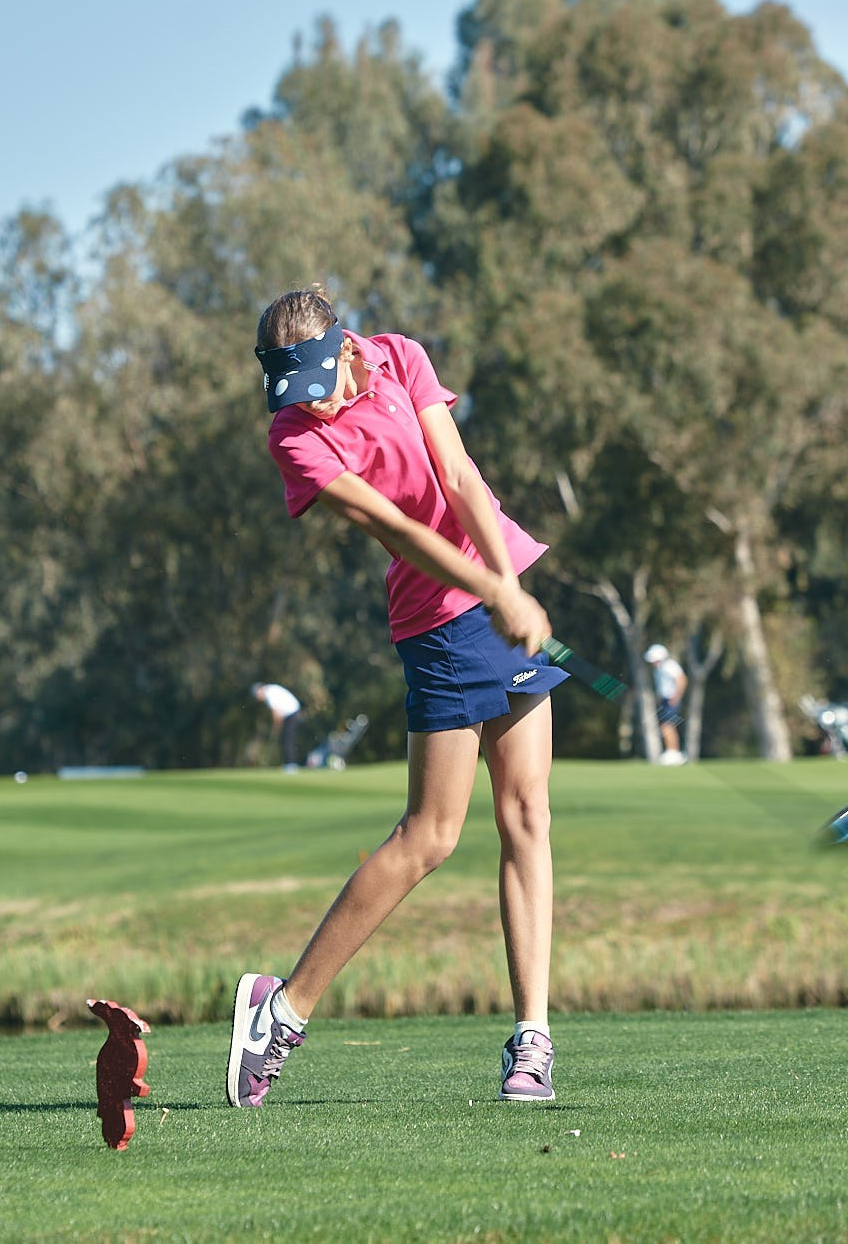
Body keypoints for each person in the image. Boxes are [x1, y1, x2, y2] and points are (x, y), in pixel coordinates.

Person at [227, 288, 569, 1109]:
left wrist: (506, 583)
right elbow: (402, 531)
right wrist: (494, 589)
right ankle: (282, 1011)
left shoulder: (399, 356)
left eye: (322, 386)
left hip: (495, 586)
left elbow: (457, 475)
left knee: (528, 815)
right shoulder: (293, 439)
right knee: (430, 836)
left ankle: (532, 1039)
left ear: (346, 348)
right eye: (296, 396)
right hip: (439, 623)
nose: (314, 407)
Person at [644, 643, 688, 764]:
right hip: (664, 699)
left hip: (671, 699)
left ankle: (673, 753)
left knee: (667, 725)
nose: (652, 662)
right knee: (666, 725)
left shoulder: (670, 666)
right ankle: (672, 751)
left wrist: (677, 696)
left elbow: (682, 679)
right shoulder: (658, 669)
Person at [251, 682, 304, 771]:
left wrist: (277, 728)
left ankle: (290, 765)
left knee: (287, 740)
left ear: (260, 690)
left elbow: (277, 713)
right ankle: (288, 764)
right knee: (286, 739)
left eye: (257, 695)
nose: (258, 698)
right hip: (292, 714)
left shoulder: (269, 693)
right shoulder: (270, 690)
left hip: (292, 714)